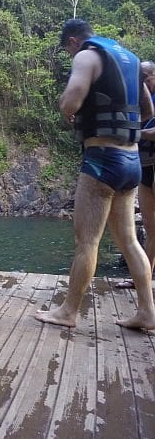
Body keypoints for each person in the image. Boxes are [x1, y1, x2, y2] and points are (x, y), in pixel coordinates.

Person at [35, 19, 155, 330]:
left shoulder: (86, 56)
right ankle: (147, 311)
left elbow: (71, 100)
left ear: (73, 41)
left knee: (87, 241)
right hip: (132, 163)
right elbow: (147, 113)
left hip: (102, 161)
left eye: (67, 49)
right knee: (129, 239)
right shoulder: (129, 59)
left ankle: (68, 312)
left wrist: (68, 108)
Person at [118, 61, 155, 289]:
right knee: (150, 229)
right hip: (145, 167)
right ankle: (144, 278)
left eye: (145, 78)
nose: (142, 83)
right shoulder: (140, 100)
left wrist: (135, 134)